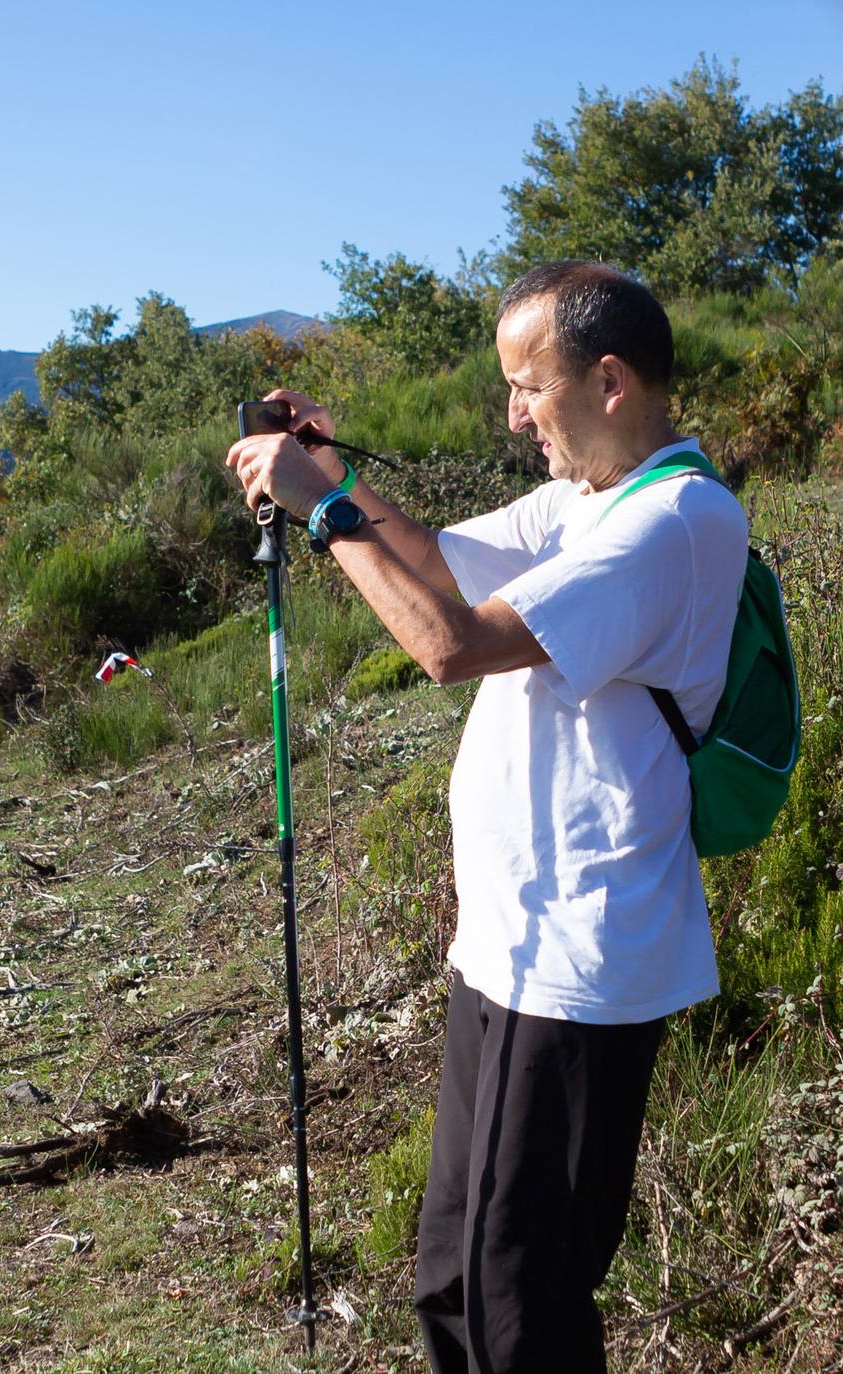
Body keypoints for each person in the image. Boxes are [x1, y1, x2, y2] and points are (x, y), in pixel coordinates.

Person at [225, 262, 746, 1373]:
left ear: (605, 380)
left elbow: (446, 645)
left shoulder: (675, 520)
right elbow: (433, 567)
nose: (512, 413)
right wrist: (330, 479)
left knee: (521, 1303)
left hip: (580, 966)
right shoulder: (580, 503)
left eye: (526, 385)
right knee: (454, 1279)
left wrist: (317, 508)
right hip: (505, 948)